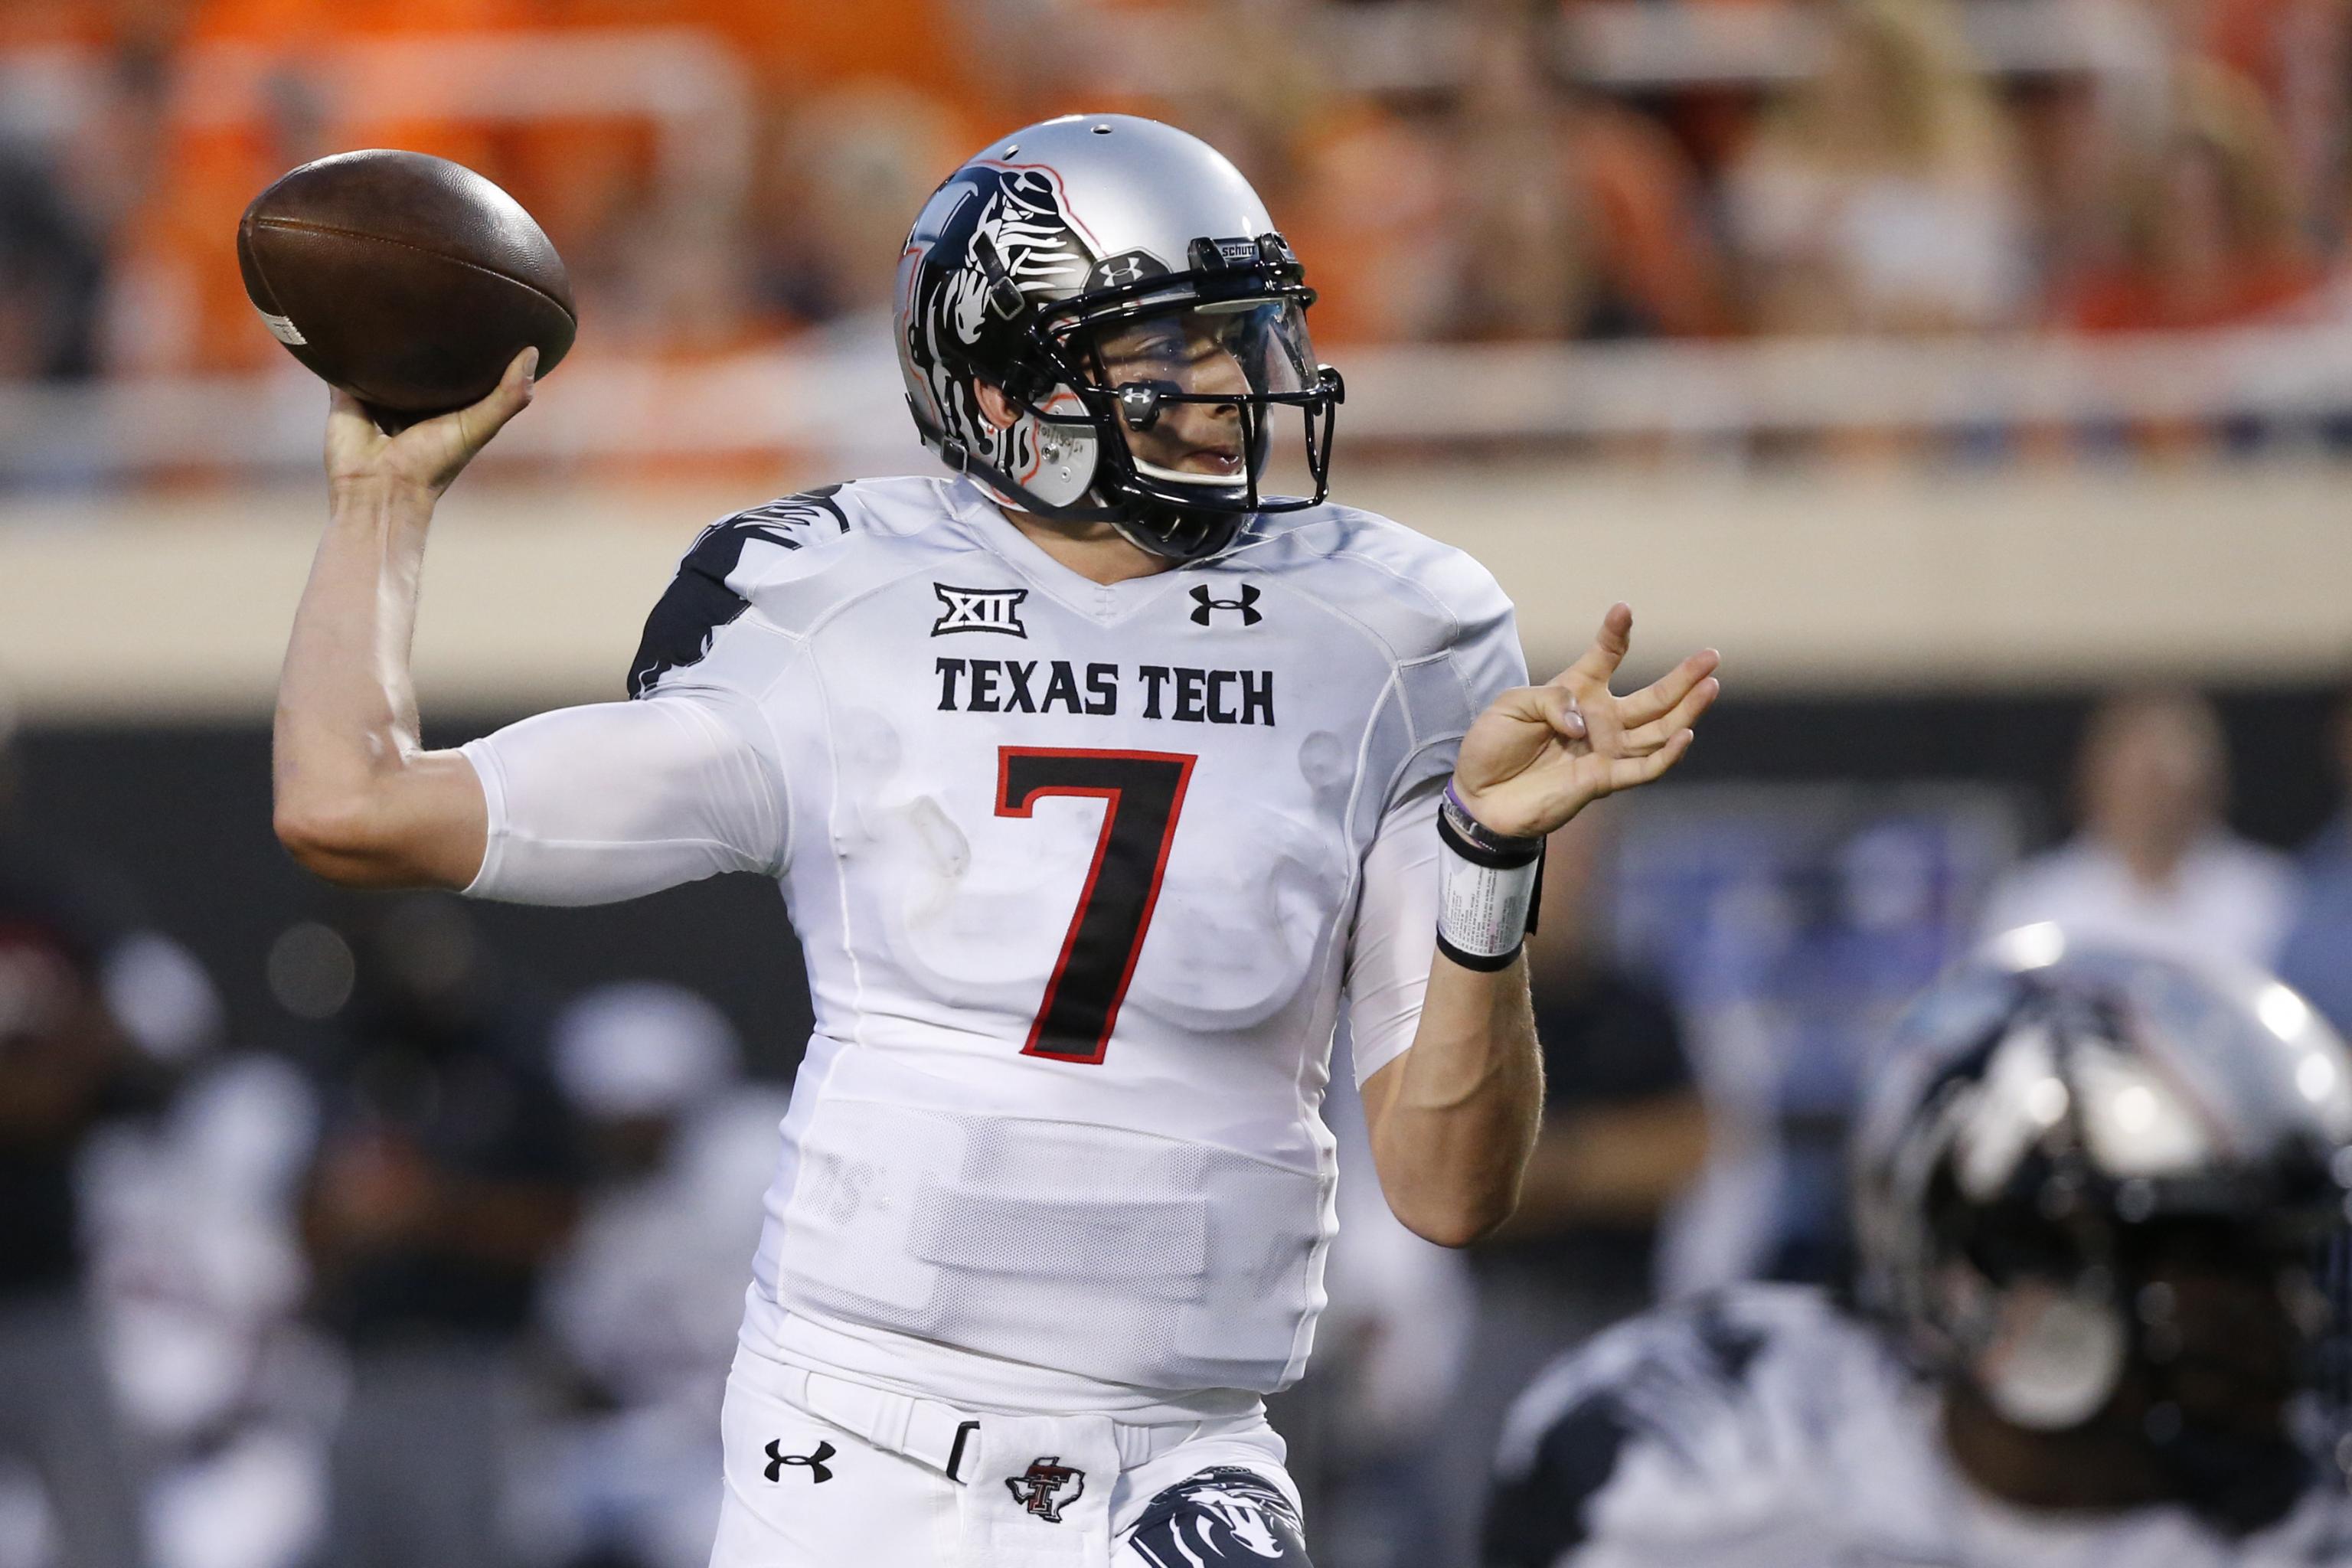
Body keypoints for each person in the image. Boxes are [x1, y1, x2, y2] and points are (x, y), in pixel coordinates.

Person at [267, 113, 1722, 1567]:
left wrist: (1481, 860)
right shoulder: (827, 599)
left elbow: (1448, 1190)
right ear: (1002, 374)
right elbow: (354, 802)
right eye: (1169, 344)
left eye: (1240, 332)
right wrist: (380, 505)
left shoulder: (1393, 625)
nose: (1231, 384)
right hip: (855, 1437)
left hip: (1182, 1452)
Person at [1484, 934, 2352, 1566]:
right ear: (2008, 1267)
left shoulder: (2305, 1518)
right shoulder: (1690, 1457)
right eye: (2221, 1256)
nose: (2286, 1306)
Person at [300, 897, 586, 1568]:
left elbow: (563, 1219)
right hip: (361, 1366)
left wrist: (431, 1207)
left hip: (480, 1363)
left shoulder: (513, 1064)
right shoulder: (353, 1060)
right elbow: (309, 1219)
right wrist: (344, 1217)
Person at [1980, 688, 2298, 967]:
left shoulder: (2268, 896)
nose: (2156, 802)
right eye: (2144, 779)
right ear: (2094, 778)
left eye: (2171, 782)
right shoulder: (2036, 902)